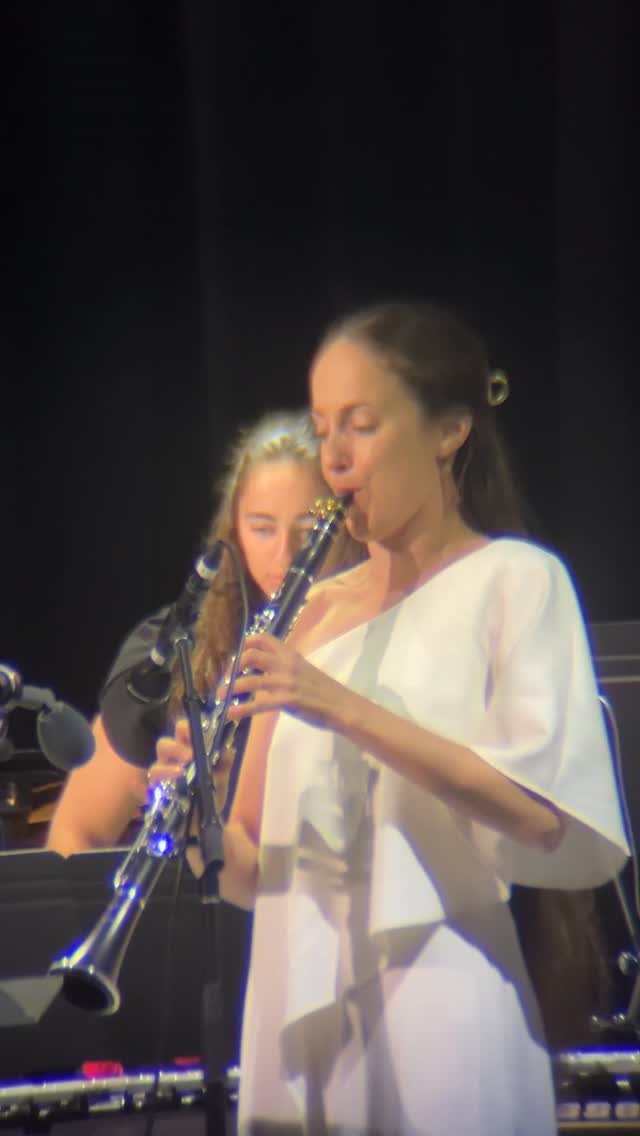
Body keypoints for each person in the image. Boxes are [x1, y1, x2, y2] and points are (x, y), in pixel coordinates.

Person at [151, 301, 629, 1136]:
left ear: (449, 431)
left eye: (361, 426)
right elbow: (253, 870)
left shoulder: (517, 580)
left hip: (441, 1000)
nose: (332, 456)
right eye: (323, 425)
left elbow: (542, 815)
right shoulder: (301, 616)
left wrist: (341, 705)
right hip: (297, 1021)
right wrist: (201, 818)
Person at [46, 409, 364, 857]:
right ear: (233, 531)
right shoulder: (179, 649)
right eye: (262, 528)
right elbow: (76, 833)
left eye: (309, 530)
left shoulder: (382, 641)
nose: (286, 553)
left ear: (347, 531)